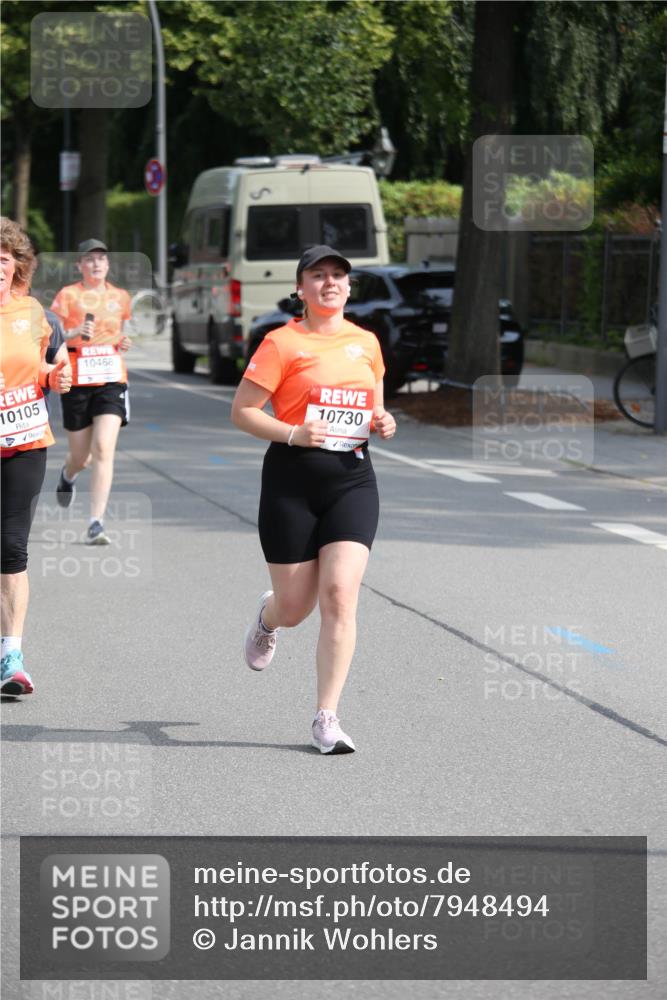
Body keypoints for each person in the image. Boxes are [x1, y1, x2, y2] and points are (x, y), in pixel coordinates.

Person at [231, 245, 396, 754]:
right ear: (301, 288)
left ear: (349, 287)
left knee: (340, 596)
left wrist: (383, 421)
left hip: (352, 481)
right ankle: (269, 617)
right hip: (291, 481)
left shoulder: (366, 342)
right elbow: (243, 411)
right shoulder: (281, 343)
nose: (330, 283)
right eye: (318, 275)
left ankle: (327, 718)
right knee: (296, 607)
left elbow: (373, 407)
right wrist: (293, 434)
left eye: (339, 276)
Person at [1, 217, 72, 695]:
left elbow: (51, 367)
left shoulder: (34, 314)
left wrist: (55, 377)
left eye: (3, 259)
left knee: (11, 547)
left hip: (24, 442)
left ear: (16, 267)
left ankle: (11, 657)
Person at [50, 238, 132, 545]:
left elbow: (122, 334)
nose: (96, 264)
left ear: (108, 265)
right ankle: (68, 475)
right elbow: (52, 336)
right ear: (79, 265)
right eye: (90, 259)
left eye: (101, 259)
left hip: (111, 379)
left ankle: (96, 521)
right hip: (77, 380)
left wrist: (124, 343)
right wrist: (73, 334)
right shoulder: (68, 295)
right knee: (81, 456)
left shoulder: (121, 297)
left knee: (103, 448)